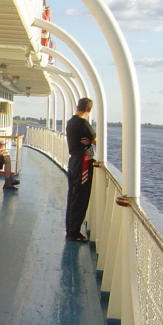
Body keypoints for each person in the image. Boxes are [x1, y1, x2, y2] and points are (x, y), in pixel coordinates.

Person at [65, 98, 96, 243]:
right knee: (81, 196)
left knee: (73, 195)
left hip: (74, 161)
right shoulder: (83, 123)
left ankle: (70, 229)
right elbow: (96, 139)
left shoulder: (71, 121)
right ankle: (74, 232)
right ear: (89, 110)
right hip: (83, 161)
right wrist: (92, 141)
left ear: (78, 107)